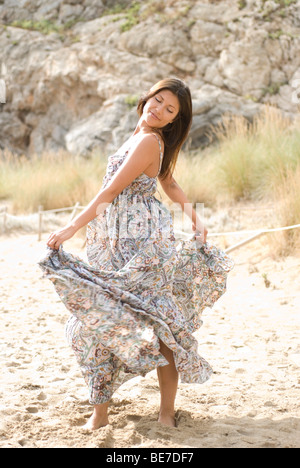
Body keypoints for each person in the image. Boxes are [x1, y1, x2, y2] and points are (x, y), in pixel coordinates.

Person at [38, 78, 234, 430]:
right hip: (117, 237)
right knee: (103, 319)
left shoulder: (147, 140)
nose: (159, 109)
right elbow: (168, 182)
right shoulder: (141, 137)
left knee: (153, 323)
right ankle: (100, 411)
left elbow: (111, 191)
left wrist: (70, 228)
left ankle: (164, 413)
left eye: (169, 109)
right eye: (158, 100)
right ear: (147, 97)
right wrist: (195, 217)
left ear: (174, 119)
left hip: (139, 243)